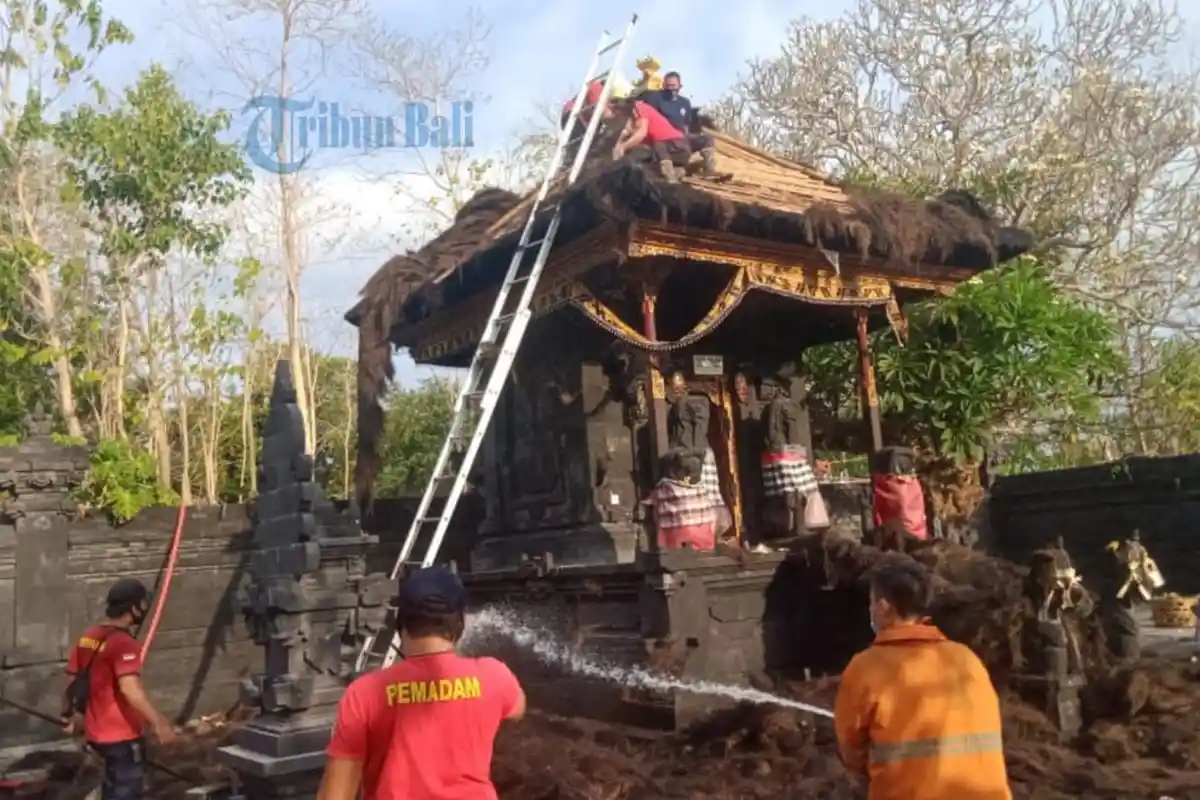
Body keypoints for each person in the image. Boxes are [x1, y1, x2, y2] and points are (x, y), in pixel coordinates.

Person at [317, 566, 526, 800]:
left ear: (400, 624)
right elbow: (517, 709)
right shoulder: (494, 676)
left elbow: (334, 796)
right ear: (459, 625)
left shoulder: (364, 694)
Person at [834, 555, 1011, 799]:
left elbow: (852, 752)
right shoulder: (967, 658)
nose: (871, 611)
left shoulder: (866, 668)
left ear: (884, 607)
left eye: (872, 603)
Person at [62, 578, 177, 800]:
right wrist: (159, 722)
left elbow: (69, 679)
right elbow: (130, 689)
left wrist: (66, 714)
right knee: (126, 791)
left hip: (95, 733)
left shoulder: (88, 637)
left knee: (109, 786)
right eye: (142, 604)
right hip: (121, 736)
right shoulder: (124, 644)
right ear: (134, 607)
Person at [612, 97, 718, 182]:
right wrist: (619, 146)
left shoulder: (641, 108)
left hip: (674, 146)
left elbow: (641, 133)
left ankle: (671, 179)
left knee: (659, 144)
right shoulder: (633, 121)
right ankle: (679, 170)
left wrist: (622, 147)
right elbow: (626, 132)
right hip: (675, 154)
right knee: (646, 165)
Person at [638, 71, 718, 175]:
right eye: (668, 86)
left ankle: (709, 170)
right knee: (660, 146)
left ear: (680, 86)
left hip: (681, 138)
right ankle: (670, 173)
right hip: (665, 138)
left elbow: (686, 124)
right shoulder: (657, 98)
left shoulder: (685, 103)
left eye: (673, 86)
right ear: (663, 85)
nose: (671, 89)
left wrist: (686, 137)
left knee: (708, 138)